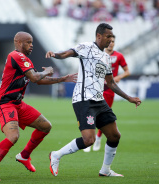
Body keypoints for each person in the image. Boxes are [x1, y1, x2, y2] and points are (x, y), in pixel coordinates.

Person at [46, 23, 141, 177]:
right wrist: (55, 54)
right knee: (88, 140)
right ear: (99, 36)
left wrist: (129, 98)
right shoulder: (86, 47)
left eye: (112, 37)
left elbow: (111, 83)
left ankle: (105, 170)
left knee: (114, 135)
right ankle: (56, 155)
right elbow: (67, 53)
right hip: (84, 100)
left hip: (99, 100)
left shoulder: (106, 58)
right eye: (108, 36)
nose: (111, 39)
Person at [0, 31, 77, 181]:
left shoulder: (25, 60)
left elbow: (37, 80)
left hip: (17, 104)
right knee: (13, 136)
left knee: (45, 126)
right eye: (28, 42)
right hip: (5, 103)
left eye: (32, 42)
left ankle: (24, 156)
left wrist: (63, 78)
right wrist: (46, 71)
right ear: (18, 43)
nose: (31, 45)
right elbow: (34, 77)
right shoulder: (16, 56)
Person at [83, 35, 130, 152]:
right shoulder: (98, 54)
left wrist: (118, 77)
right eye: (109, 41)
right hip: (96, 88)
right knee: (91, 113)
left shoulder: (118, 56)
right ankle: (90, 139)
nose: (111, 43)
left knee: (104, 115)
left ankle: (98, 137)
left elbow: (127, 71)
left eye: (113, 41)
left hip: (109, 90)